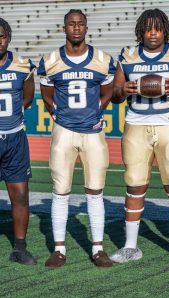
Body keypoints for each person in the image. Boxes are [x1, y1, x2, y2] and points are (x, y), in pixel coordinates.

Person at [109, 8, 169, 266]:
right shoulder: (127, 56)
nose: (153, 33)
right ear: (141, 31)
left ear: (165, 29)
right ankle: (130, 246)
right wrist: (122, 90)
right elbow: (115, 94)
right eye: (148, 28)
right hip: (136, 124)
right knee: (134, 184)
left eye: (157, 28)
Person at [37, 9, 115, 268]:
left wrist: (95, 111)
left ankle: (98, 248)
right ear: (64, 28)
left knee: (95, 192)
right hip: (64, 132)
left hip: (93, 132)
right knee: (60, 191)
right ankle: (59, 249)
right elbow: (47, 93)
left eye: (81, 23)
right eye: (72, 24)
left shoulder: (103, 59)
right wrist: (58, 114)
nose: (77, 28)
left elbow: (107, 91)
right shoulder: (50, 60)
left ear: (86, 27)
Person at [0, 18, 36, 265]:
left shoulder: (23, 65)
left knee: (21, 195)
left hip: (14, 139)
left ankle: (20, 248)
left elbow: (27, 98)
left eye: (1, 36)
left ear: (8, 37)